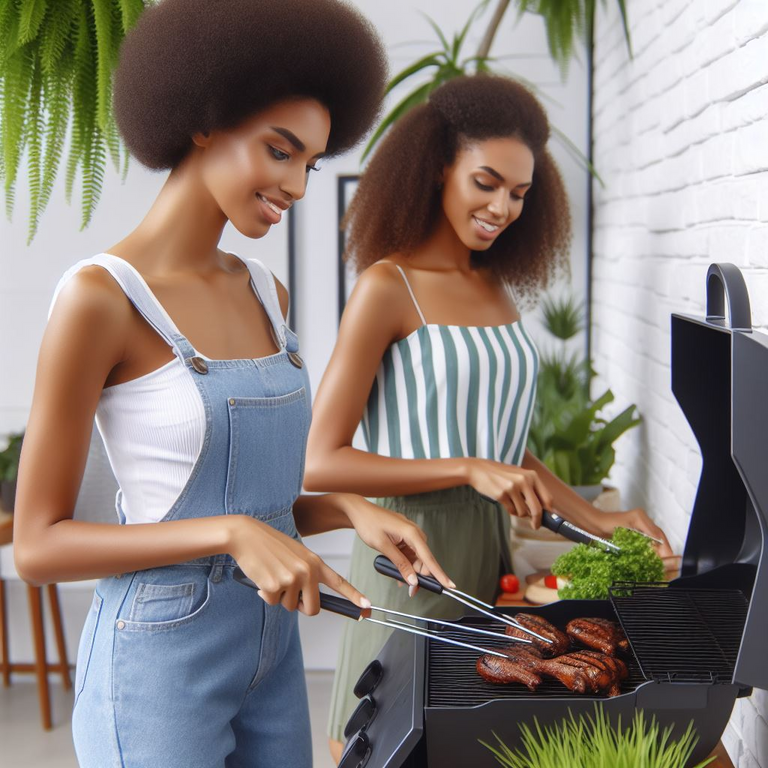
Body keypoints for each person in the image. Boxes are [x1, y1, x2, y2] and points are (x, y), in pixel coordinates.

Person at [11, 2, 452, 766]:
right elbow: (37, 546)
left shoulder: (265, 293)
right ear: (205, 120)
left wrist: (347, 508)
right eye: (279, 151)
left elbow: (254, 502)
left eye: (309, 164)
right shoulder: (100, 298)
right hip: (157, 661)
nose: (297, 185)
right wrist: (232, 535)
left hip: (271, 654)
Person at [302, 74, 677, 757]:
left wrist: (602, 522)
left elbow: (506, 454)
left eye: (519, 193)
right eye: (487, 182)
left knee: (475, 741)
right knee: (388, 745)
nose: (503, 206)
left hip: (488, 552)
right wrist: (469, 468)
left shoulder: (495, 288)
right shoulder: (388, 287)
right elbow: (322, 461)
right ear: (438, 167)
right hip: (408, 553)